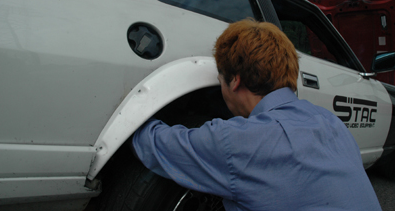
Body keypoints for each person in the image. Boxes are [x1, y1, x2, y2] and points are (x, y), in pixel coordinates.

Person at [131, 19, 381, 211]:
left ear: (235, 81)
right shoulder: (331, 122)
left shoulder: (238, 142)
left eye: (221, 81)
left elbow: (150, 142)